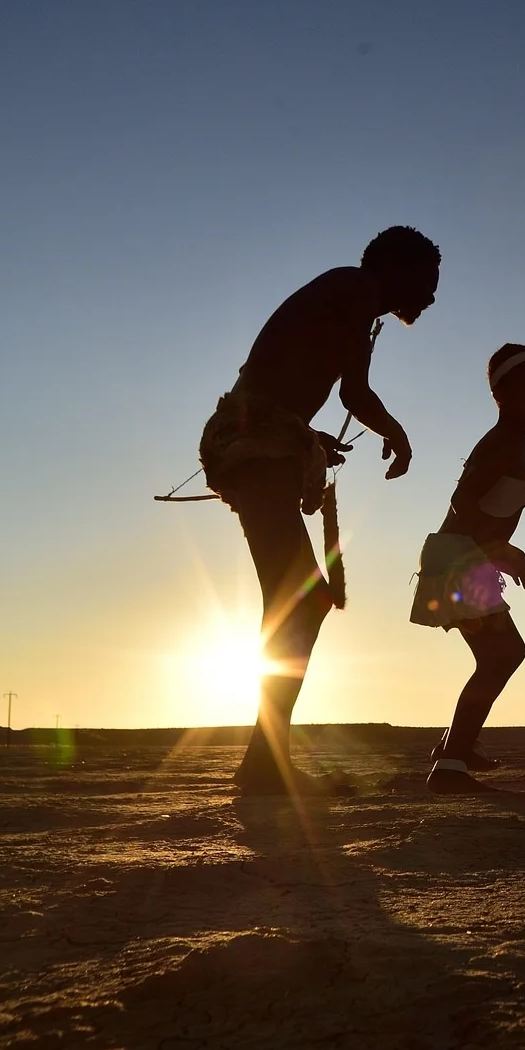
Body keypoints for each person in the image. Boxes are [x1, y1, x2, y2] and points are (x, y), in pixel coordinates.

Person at [199, 226, 439, 797]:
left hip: (267, 444)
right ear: (396, 268)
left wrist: (307, 437)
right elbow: (355, 391)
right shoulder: (355, 287)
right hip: (256, 446)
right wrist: (399, 436)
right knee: (300, 600)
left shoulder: (349, 296)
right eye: (427, 280)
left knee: (300, 602)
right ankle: (263, 763)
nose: (431, 296)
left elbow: (290, 376)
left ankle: (265, 758)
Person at [410, 345, 525, 794]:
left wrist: (499, 549)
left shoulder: (512, 442)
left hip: (463, 558)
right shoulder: (500, 443)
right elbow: (463, 501)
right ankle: (451, 763)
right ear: (503, 394)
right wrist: (498, 547)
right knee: (502, 655)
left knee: (498, 656)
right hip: (455, 560)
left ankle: (455, 748)